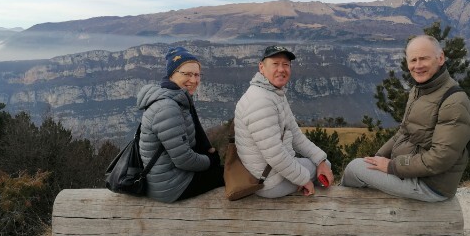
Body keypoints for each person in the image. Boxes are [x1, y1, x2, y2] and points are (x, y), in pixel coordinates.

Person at [341, 35, 470, 201]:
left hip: (431, 185)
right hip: (412, 173)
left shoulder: (453, 102)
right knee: (365, 164)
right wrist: (377, 157)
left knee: (354, 168)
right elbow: (403, 132)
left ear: (440, 58)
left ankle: (340, 208)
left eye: (423, 59)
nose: (417, 66)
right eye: (413, 60)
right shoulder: (419, 90)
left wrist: (391, 166)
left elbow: (440, 159)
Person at [234, 45, 334, 198]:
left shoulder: (274, 93)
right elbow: (275, 154)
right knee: (326, 167)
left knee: (322, 164)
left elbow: (296, 136)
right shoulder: (260, 101)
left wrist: (320, 159)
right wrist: (304, 179)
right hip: (268, 182)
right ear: (261, 67)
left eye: (286, 64)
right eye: (275, 64)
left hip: (271, 171)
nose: (281, 69)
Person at [136, 46, 224, 203]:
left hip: (167, 178)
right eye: (187, 74)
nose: (194, 80)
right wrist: (211, 161)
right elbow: (183, 159)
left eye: (197, 75)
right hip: (171, 186)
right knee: (229, 176)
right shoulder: (167, 108)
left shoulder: (178, 100)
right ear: (171, 75)